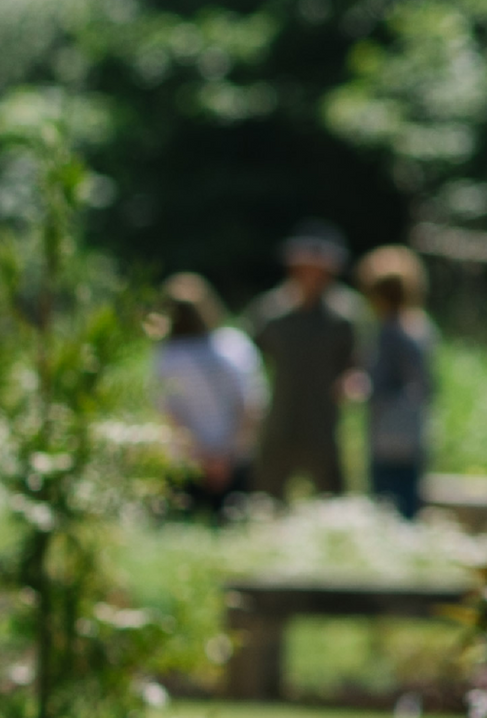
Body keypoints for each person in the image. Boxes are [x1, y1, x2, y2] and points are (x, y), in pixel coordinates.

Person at [243, 221, 367, 501]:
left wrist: (352, 380)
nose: (312, 275)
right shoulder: (271, 312)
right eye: (305, 267)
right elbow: (246, 358)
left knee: (332, 496)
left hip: (322, 419)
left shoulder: (345, 315)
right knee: (266, 495)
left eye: (319, 269)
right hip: (280, 416)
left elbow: (357, 361)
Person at [148, 273, 262, 514]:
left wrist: (202, 458)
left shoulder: (167, 357)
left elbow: (170, 415)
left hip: (190, 463)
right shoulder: (234, 345)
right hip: (235, 460)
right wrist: (226, 457)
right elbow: (251, 406)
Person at [358, 245, 434, 519]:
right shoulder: (422, 327)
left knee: (387, 507)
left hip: (387, 432)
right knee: (409, 500)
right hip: (414, 430)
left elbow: (379, 383)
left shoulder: (388, 332)